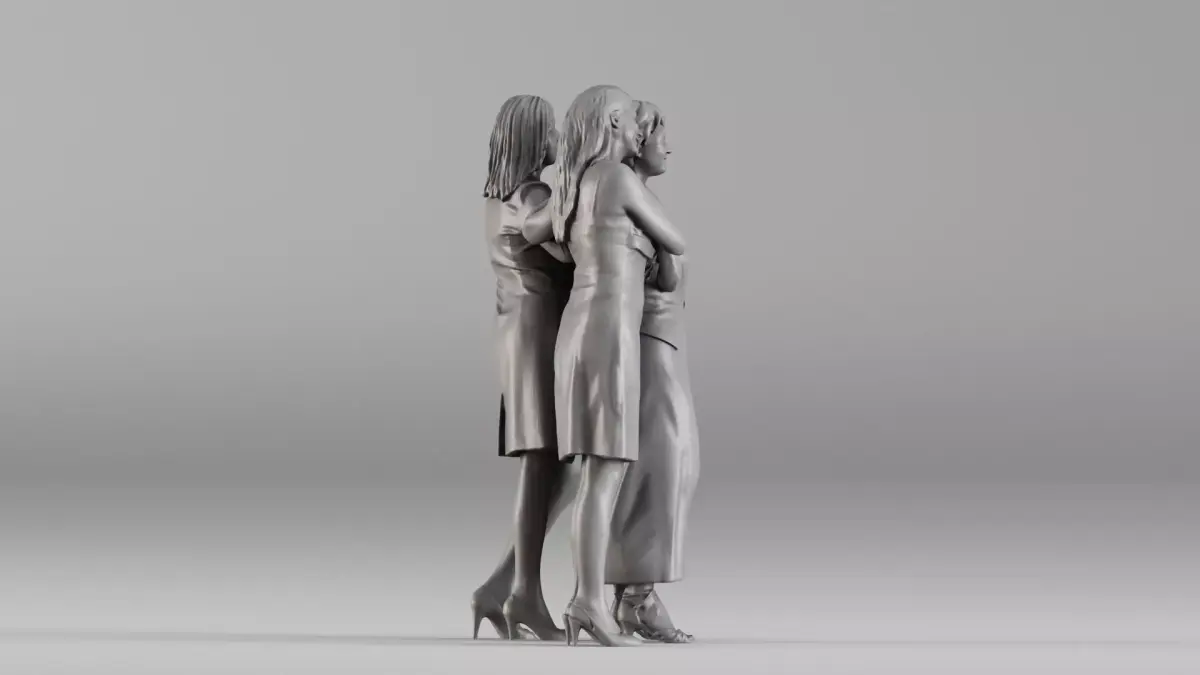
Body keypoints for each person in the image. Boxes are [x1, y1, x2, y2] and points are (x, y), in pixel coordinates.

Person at [542, 84, 686, 647]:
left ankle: (592, 600)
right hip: (609, 336)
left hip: (579, 329)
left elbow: (540, 236)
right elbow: (676, 239)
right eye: (629, 119)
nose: (638, 131)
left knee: (597, 473)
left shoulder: (578, 183)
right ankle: (587, 600)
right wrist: (654, 240)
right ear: (612, 123)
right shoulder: (616, 177)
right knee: (605, 474)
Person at [471, 94, 576, 641]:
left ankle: (501, 588)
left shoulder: (496, 199)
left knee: (551, 468)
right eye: (553, 130)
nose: (559, 138)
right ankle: (524, 597)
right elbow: (572, 248)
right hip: (539, 332)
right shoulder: (534, 195)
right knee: (543, 465)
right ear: (536, 137)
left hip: (515, 331)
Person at [604, 102, 699, 644]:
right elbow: (664, 274)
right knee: (662, 467)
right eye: (662, 136)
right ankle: (637, 597)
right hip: (651, 346)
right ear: (638, 142)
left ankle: (631, 595)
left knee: (661, 468)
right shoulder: (628, 200)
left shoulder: (636, 200)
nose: (670, 147)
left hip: (662, 344)